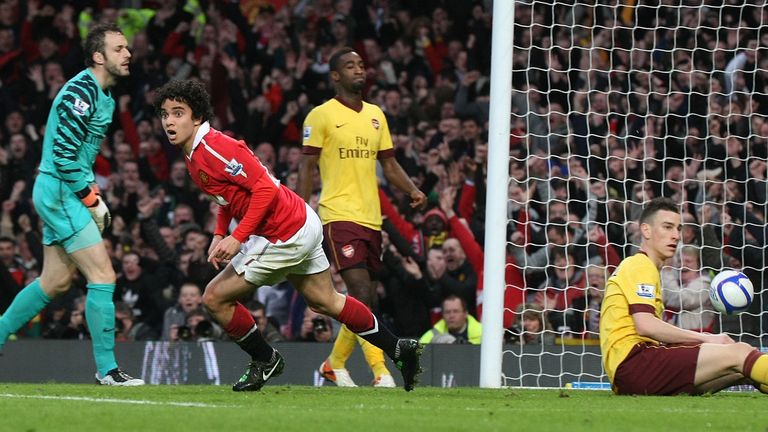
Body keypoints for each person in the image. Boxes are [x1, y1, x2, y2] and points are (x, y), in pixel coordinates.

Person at [154, 79, 422, 392]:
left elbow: (264, 188)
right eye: (164, 114)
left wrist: (237, 237)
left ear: (196, 117)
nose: (169, 121)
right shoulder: (195, 151)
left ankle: (265, 359)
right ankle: (399, 349)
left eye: (177, 113)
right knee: (326, 301)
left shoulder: (214, 147)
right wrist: (217, 233)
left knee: (214, 298)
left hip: (283, 233)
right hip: (299, 220)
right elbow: (229, 196)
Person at [0, 23, 144, 386]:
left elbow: (78, 156)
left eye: (127, 48)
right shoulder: (80, 91)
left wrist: (90, 188)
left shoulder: (105, 96)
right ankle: (108, 370)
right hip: (61, 191)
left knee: (56, 281)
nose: (128, 54)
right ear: (98, 56)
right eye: (118, 49)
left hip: (63, 190)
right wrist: (90, 196)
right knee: (103, 276)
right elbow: (64, 155)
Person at [298, 46, 427, 388]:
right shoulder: (321, 116)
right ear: (336, 75)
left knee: (365, 298)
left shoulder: (376, 115)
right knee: (358, 293)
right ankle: (381, 370)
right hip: (339, 214)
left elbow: (389, 163)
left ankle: (335, 363)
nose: (360, 70)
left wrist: (412, 190)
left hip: (372, 218)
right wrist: (299, 207)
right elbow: (307, 165)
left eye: (361, 65)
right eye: (350, 66)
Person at [600, 197, 768, 395]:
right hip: (636, 362)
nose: (675, 236)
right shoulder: (639, 265)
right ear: (646, 230)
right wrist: (707, 339)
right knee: (740, 352)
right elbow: (645, 325)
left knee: (739, 367)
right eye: (667, 227)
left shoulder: (644, 268)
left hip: (631, 371)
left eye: (678, 229)